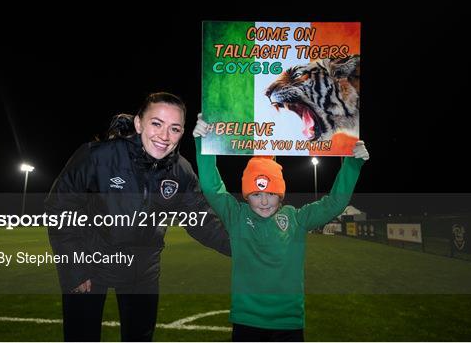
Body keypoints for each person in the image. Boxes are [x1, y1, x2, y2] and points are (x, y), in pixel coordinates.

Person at [45, 93, 231, 342]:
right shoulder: (97, 156)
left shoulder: (181, 171)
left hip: (142, 272)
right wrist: (75, 269)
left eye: (174, 129)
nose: (164, 136)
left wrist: (243, 246)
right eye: (157, 123)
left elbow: (201, 219)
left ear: (183, 131)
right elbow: (60, 206)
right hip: (91, 262)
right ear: (138, 123)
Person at [193, 113, 369, 342]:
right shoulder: (236, 215)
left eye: (270, 194)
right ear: (246, 196)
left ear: (281, 193)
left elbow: (335, 203)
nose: (264, 201)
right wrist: (202, 142)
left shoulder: (297, 219)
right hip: (247, 322)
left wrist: (352, 165)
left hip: (289, 323)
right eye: (256, 194)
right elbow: (211, 185)